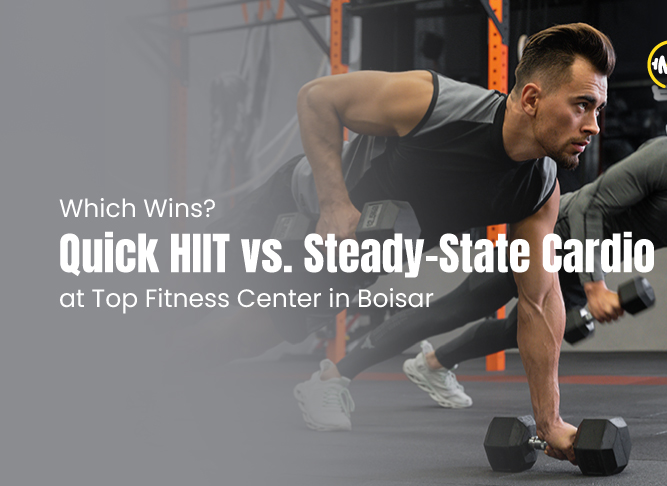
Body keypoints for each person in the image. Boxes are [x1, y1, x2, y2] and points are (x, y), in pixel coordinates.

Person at [204, 23, 616, 463]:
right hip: (297, 203)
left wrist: (549, 422)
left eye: (599, 110)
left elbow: (539, 301)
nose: (594, 126)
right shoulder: (436, 103)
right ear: (532, 99)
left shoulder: (538, 191)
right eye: (582, 105)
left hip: (357, 258)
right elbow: (317, 97)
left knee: (244, 338)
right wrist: (334, 203)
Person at [298, 102, 667, 437]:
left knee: (527, 330)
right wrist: (595, 286)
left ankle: (433, 364)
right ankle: (332, 376)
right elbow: (591, 204)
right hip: (552, 230)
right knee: (463, 305)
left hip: (589, 259)